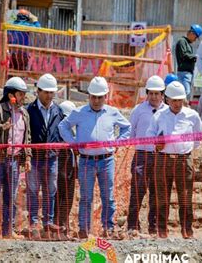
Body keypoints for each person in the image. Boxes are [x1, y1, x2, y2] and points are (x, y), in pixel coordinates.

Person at [58, 77, 131, 239]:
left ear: (105, 96)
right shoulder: (80, 112)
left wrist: (118, 142)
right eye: (93, 97)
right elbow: (63, 126)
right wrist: (73, 143)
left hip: (106, 160)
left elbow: (127, 127)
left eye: (100, 97)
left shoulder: (113, 112)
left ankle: (109, 228)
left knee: (108, 196)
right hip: (86, 161)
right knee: (85, 197)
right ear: (89, 96)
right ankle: (84, 229)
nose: (96, 100)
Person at [146, 81, 202, 239]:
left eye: (180, 100)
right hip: (163, 160)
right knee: (162, 196)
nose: (177, 103)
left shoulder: (192, 115)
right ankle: (162, 230)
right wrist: (156, 143)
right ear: (167, 99)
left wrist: (187, 148)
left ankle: (187, 230)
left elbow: (200, 136)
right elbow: (150, 135)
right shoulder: (159, 115)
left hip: (183, 160)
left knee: (185, 197)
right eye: (174, 100)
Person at [0, 77, 32, 239]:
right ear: (11, 95)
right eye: (20, 94)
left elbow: (27, 138)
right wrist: (1, 127)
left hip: (15, 160)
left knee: (11, 197)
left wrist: (28, 158)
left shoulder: (24, 113)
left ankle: (8, 231)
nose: (23, 97)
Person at [126, 76, 168, 238]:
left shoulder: (167, 111)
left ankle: (154, 226)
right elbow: (132, 132)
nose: (154, 97)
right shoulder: (138, 110)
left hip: (160, 156)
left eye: (157, 94)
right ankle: (132, 225)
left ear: (162, 94)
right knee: (137, 191)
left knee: (157, 193)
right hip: (141, 156)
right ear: (147, 93)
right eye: (151, 93)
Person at [26, 74, 64, 240]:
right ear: (38, 91)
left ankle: (48, 221)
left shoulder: (58, 110)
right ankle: (33, 222)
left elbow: (61, 131)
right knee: (33, 190)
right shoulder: (29, 110)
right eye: (46, 92)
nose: (49, 95)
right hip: (35, 157)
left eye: (51, 92)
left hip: (52, 157)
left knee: (50, 190)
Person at [54, 100, 77, 240]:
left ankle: (64, 225)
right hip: (61, 161)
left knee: (68, 196)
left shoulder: (72, 129)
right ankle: (58, 225)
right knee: (59, 195)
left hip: (71, 164)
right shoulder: (57, 129)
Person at [175, 24, 202, 100]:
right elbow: (184, 55)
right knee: (185, 94)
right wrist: (196, 57)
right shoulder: (182, 41)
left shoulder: (187, 44)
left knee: (186, 94)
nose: (195, 39)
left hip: (187, 73)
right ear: (192, 33)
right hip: (184, 73)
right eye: (196, 37)